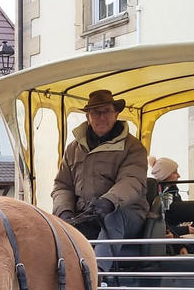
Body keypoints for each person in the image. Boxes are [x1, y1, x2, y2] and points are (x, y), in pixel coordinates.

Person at [52, 89, 149, 269]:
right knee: (53, 226)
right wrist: (64, 211)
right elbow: (62, 185)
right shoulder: (73, 149)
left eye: (106, 111)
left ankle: (97, 275)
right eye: (96, 113)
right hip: (85, 215)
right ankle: (58, 278)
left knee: (112, 217)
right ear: (88, 116)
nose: (101, 117)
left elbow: (132, 180)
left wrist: (109, 201)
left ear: (116, 114)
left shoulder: (133, 147)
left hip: (126, 214)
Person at [148, 156, 194, 254]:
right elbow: (162, 227)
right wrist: (186, 230)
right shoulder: (163, 196)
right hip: (169, 242)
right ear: (164, 175)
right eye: (175, 172)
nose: (179, 175)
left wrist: (189, 227)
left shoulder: (171, 193)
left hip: (173, 238)